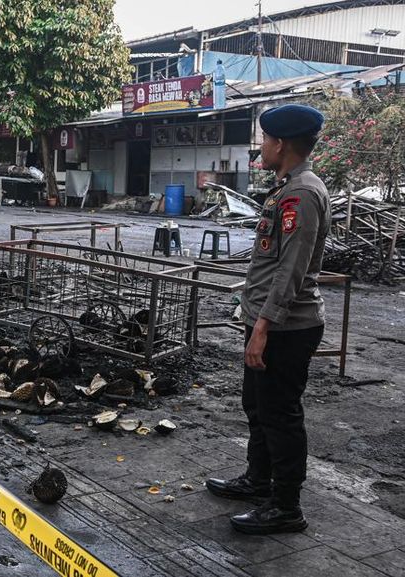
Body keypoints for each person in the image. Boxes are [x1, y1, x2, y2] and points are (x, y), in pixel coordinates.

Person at [205, 104, 330, 535]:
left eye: (264, 140)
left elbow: (291, 270)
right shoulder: (286, 188)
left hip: (286, 328)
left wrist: (262, 328)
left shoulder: (301, 194)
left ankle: (286, 506)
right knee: (257, 407)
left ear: (281, 144)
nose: (261, 148)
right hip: (266, 320)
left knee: (280, 414)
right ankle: (258, 482)